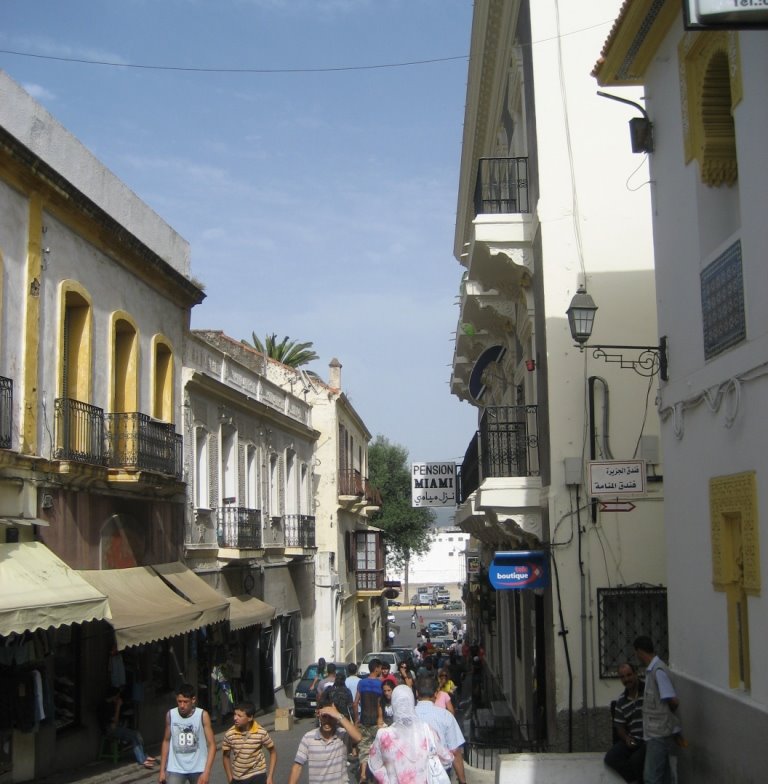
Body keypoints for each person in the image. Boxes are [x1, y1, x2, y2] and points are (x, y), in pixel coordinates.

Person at [368, 684, 453, 784]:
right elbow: (447, 759)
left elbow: (374, 765)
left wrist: (389, 779)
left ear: (393, 704)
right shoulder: (427, 730)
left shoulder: (383, 735)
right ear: (412, 703)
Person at [634, 636, 681, 784]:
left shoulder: (658, 671)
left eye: (636, 653)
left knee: (651, 777)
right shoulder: (653, 670)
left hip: (659, 733)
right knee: (664, 777)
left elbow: (673, 701)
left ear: (640, 652)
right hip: (657, 731)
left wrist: (666, 718)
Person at [287, 703, 361, 784]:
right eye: (324, 716)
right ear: (319, 716)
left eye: (331, 717)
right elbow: (297, 766)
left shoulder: (342, 735)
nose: (327, 720)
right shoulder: (308, 738)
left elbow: (358, 737)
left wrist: (338, 715)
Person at [414, 674, 467, 784]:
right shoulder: (446, 716)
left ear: (417, 693)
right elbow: (455, 752)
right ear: (435, 694)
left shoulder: (408, 716)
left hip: (413, 774)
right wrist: (462, 781)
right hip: (440, 774)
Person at [159, 683, 216, 784]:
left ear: (193, 700)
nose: (182, 705)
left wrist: (207, 771)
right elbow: (166, 741)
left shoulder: (202, 715)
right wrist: (162, 770)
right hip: (176, 768)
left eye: (185, 702)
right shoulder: (171, 715)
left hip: (198, 768)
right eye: (179, 701)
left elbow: (212, 745)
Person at [604, 663, 645, 784]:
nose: (627, 679)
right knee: (611, 757)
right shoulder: (621, 701)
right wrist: (627, 739)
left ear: (636, 674)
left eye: (629, 675)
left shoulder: (648, 691)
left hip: (649, 739)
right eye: (622, 677)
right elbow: (619, 726)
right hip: (635, 740)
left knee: (636, 760)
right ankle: (634, 780)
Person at [221, 700, 276, 784]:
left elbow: (273, 752)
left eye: (239, 715)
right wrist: (230, 778)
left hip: (258, 775)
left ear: (250, 717)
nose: (235, 718)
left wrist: (270, 777)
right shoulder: (229, 734)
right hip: (238, 778)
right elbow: (226, 757)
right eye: (235, 714)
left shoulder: (261, 732)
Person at [103, 687, 156, 769]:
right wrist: (118, 706)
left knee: (136, 734)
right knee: (134, 735)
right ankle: (142, 759)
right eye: (117, 696)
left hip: (116, 727)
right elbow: (114, 723)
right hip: (110, 730)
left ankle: (143, 756)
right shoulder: (104, 707)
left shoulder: (111, 704)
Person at [353, 658, 383, 784]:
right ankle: (378, 776)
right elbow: (379, 704)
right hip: (376, 721)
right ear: (376, 668)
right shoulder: (380, 683)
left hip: (364, 720)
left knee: (364, 749)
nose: (381, 670)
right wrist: (380, 719)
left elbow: (355, 704)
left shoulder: (362, 683)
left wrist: (356, 719)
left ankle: (364, 774)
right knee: (378, 749)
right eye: (380, 667)